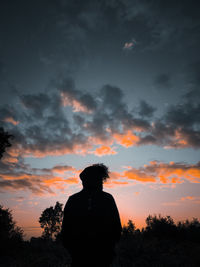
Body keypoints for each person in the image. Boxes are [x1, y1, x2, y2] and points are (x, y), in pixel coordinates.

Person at [61, 163, 122, 267]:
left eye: (101, 180)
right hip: (85, 258)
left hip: (94, 258)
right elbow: (66, 233)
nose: (101, 183)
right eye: (99, 180)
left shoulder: (74, 200)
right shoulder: (107, 199)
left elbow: (116, 229)